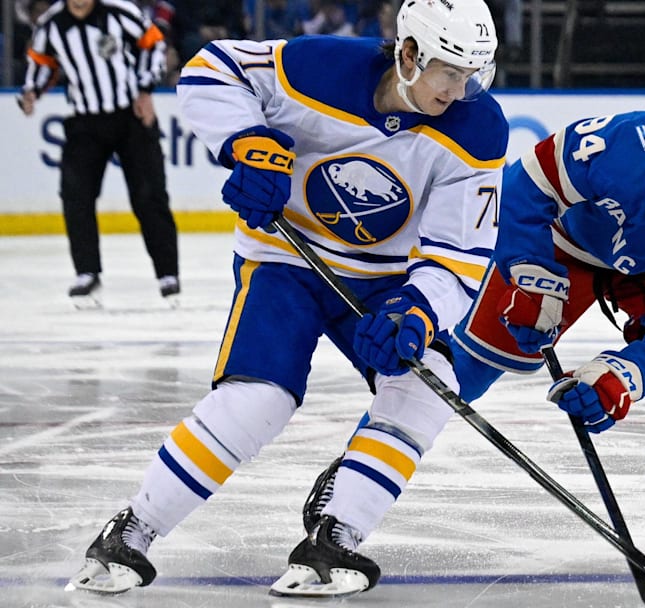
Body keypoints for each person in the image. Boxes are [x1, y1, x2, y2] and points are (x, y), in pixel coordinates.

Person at [66, 0, 506, 598]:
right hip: (285, 262)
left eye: (472, 75)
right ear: (407, 53)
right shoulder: (315, 67)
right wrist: (246, 142)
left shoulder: (478, 128)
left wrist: (419, 310)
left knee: (426, 382)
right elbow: (209, 68)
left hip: (385, 282)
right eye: (449, 72)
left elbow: (460, 256)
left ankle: (334, 539)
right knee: (258, 401)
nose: (459, 91)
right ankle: (132, 530)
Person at [301, 94, 645, 576]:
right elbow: (523, 188)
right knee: (463, 364)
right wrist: (528, 270)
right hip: (560, 245)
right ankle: (354, 478)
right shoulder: (628, 145)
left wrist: (622, 376)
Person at [18, 0, 179, 308]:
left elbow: (154, 43)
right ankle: (87, 272)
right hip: (86, 122)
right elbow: (41, 62)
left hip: (132, 116)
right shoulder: (52, 24)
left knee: (150, 195)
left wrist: (146, 89)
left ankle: (167, 274)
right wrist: (31, 91)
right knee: (75, 195)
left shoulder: (120, 12)